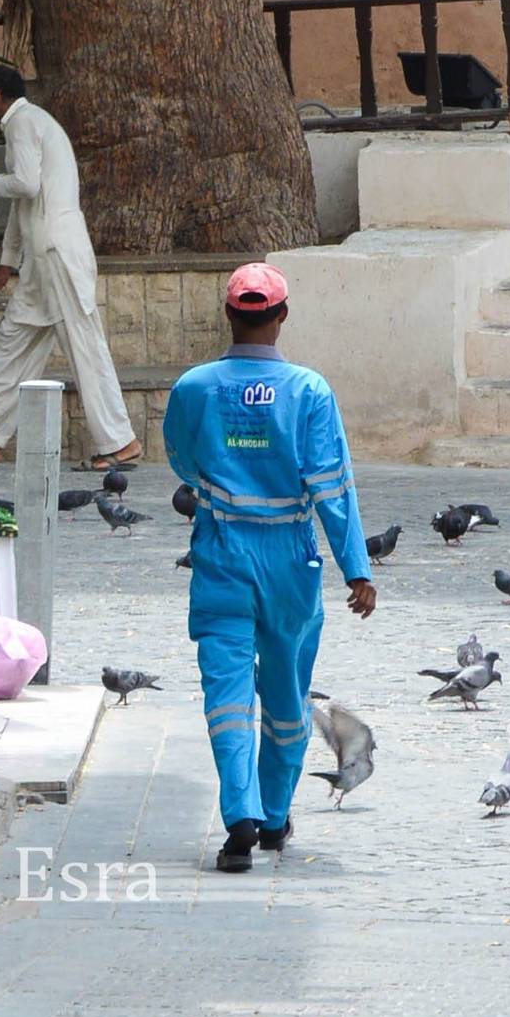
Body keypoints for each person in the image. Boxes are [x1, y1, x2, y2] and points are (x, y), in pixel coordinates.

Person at [161, 262, 377, 872]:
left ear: (229, 315)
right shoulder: (310, 391)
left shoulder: (196, 386)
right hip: (290, 560)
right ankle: (277, 815)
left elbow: (180, 457)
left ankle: (240, 821)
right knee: (285, 695)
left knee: (226, 693)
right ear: (282, 318)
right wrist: (356, 569)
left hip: (221, 553)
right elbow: (332, 487)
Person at [0, 62, 139, 471]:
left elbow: (25, 186)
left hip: (58, 254)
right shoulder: (29, 123)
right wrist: (7, 264)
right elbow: (25, 202)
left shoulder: (22, 124)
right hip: (40, 260)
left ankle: (119, 442)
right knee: (9, 343)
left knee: (84, 348)